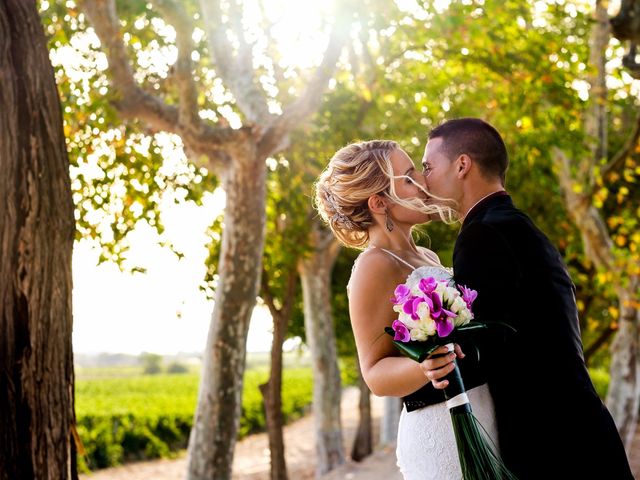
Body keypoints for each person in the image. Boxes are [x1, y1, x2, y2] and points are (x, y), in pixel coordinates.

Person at [421, 117, 633, 479]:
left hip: (553, 445)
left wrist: (426, 356)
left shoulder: (482, 235)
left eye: (427, 166)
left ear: (462, 165)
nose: (422, 179)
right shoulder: (515, 224)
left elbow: (486, 349)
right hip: (581, 428)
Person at [314, 140, 500, 479]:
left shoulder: (428, 258)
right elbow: (374, 374)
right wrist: (424, 366)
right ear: (379, 203)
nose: (423, 182)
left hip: (480, 409)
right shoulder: (373, 267)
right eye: (409, 177)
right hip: (440, 427)